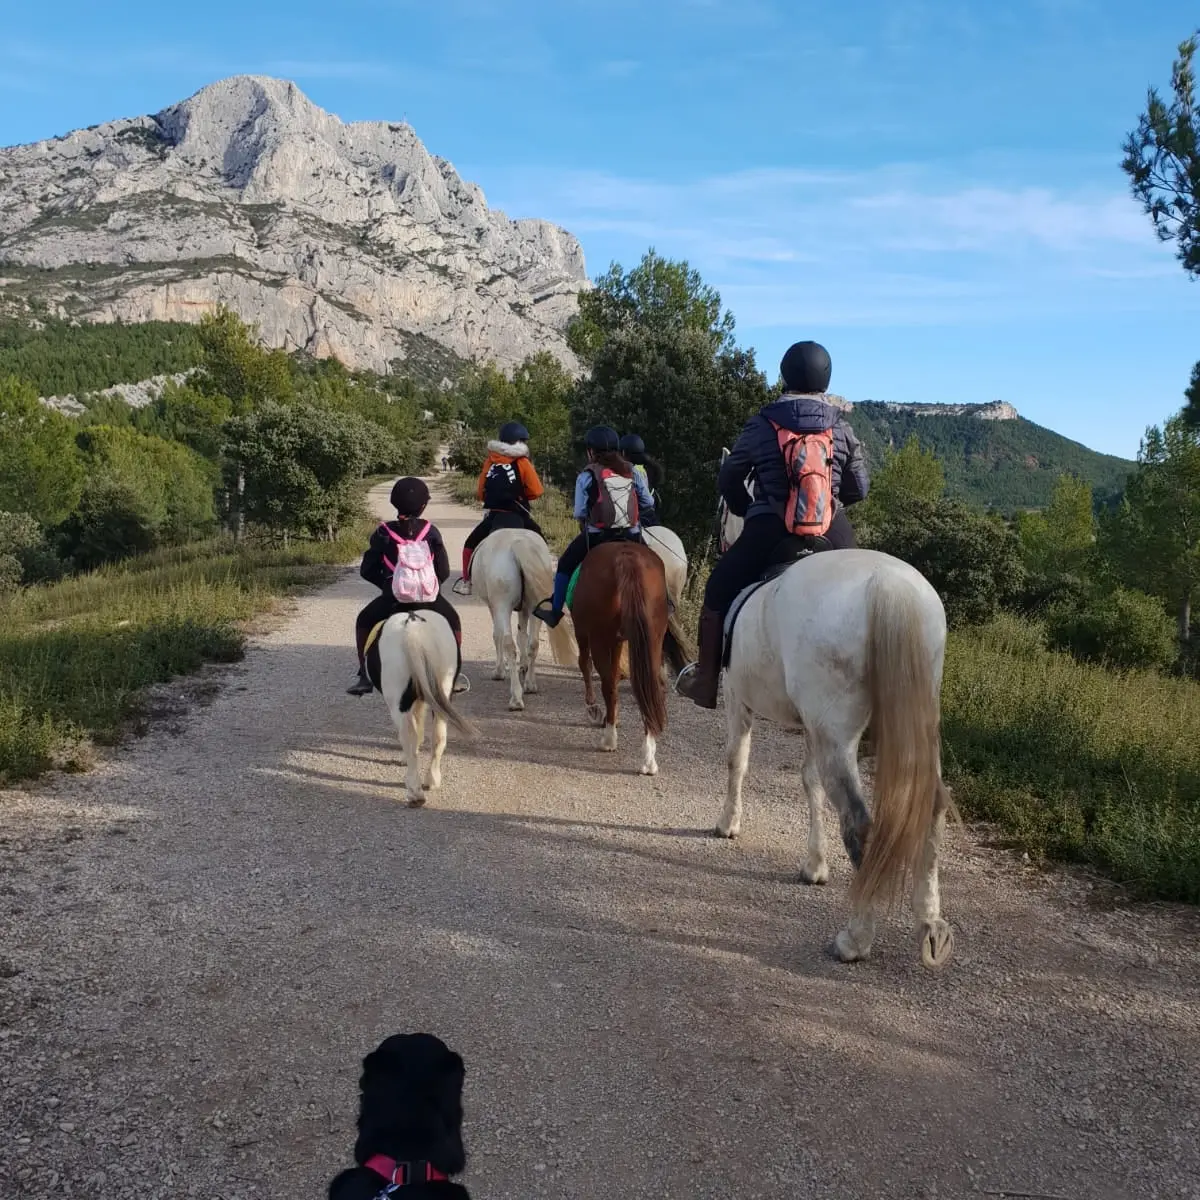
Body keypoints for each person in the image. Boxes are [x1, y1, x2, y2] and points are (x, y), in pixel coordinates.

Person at [676, 340, 870, 709]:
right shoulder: (841, 427)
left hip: (770, 527)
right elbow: (860, 487)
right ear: (825, 379)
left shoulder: (763, 423)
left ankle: (705, 680)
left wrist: (748, 508)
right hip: (831, 529)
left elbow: (729, 477)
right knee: (862, 595)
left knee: (717, 590)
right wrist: (831, 506)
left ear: (784, 375)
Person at [346, 477, 469, 697]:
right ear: (423, 506)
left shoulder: (383, 532)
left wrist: (389, 586)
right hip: (429, 601)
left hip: (393, 599)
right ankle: (455, 675)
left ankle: (364, 675)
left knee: (364, 620)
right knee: (454, 620)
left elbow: (367, 569)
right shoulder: (431, 532)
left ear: (394, 502)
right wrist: (429, 587)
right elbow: (443, 571)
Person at [531, 426, 657, 629]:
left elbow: (579, 512)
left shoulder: (586, 476)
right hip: (632, 535)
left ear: (591, 451)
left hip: (598, 537)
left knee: (564, 565)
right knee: (656, 565)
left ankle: (555, 611)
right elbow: (648, 503)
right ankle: (665, 603)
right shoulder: (632, 471)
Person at [455, 421, 545, 596]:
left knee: (469, 545)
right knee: (541, 542)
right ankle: (547, 578)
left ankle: (466, 582)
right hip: (518, 515)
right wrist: (523, 495)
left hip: (494, 517)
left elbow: (481, 493)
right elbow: (537, 490)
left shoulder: (490, 461)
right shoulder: (522, 462)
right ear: (520, 442)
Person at [618, 433, 665, 517]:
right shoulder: (645, 468)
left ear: (624, 453)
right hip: (651, 513)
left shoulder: (631, 471)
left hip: (639, 515)